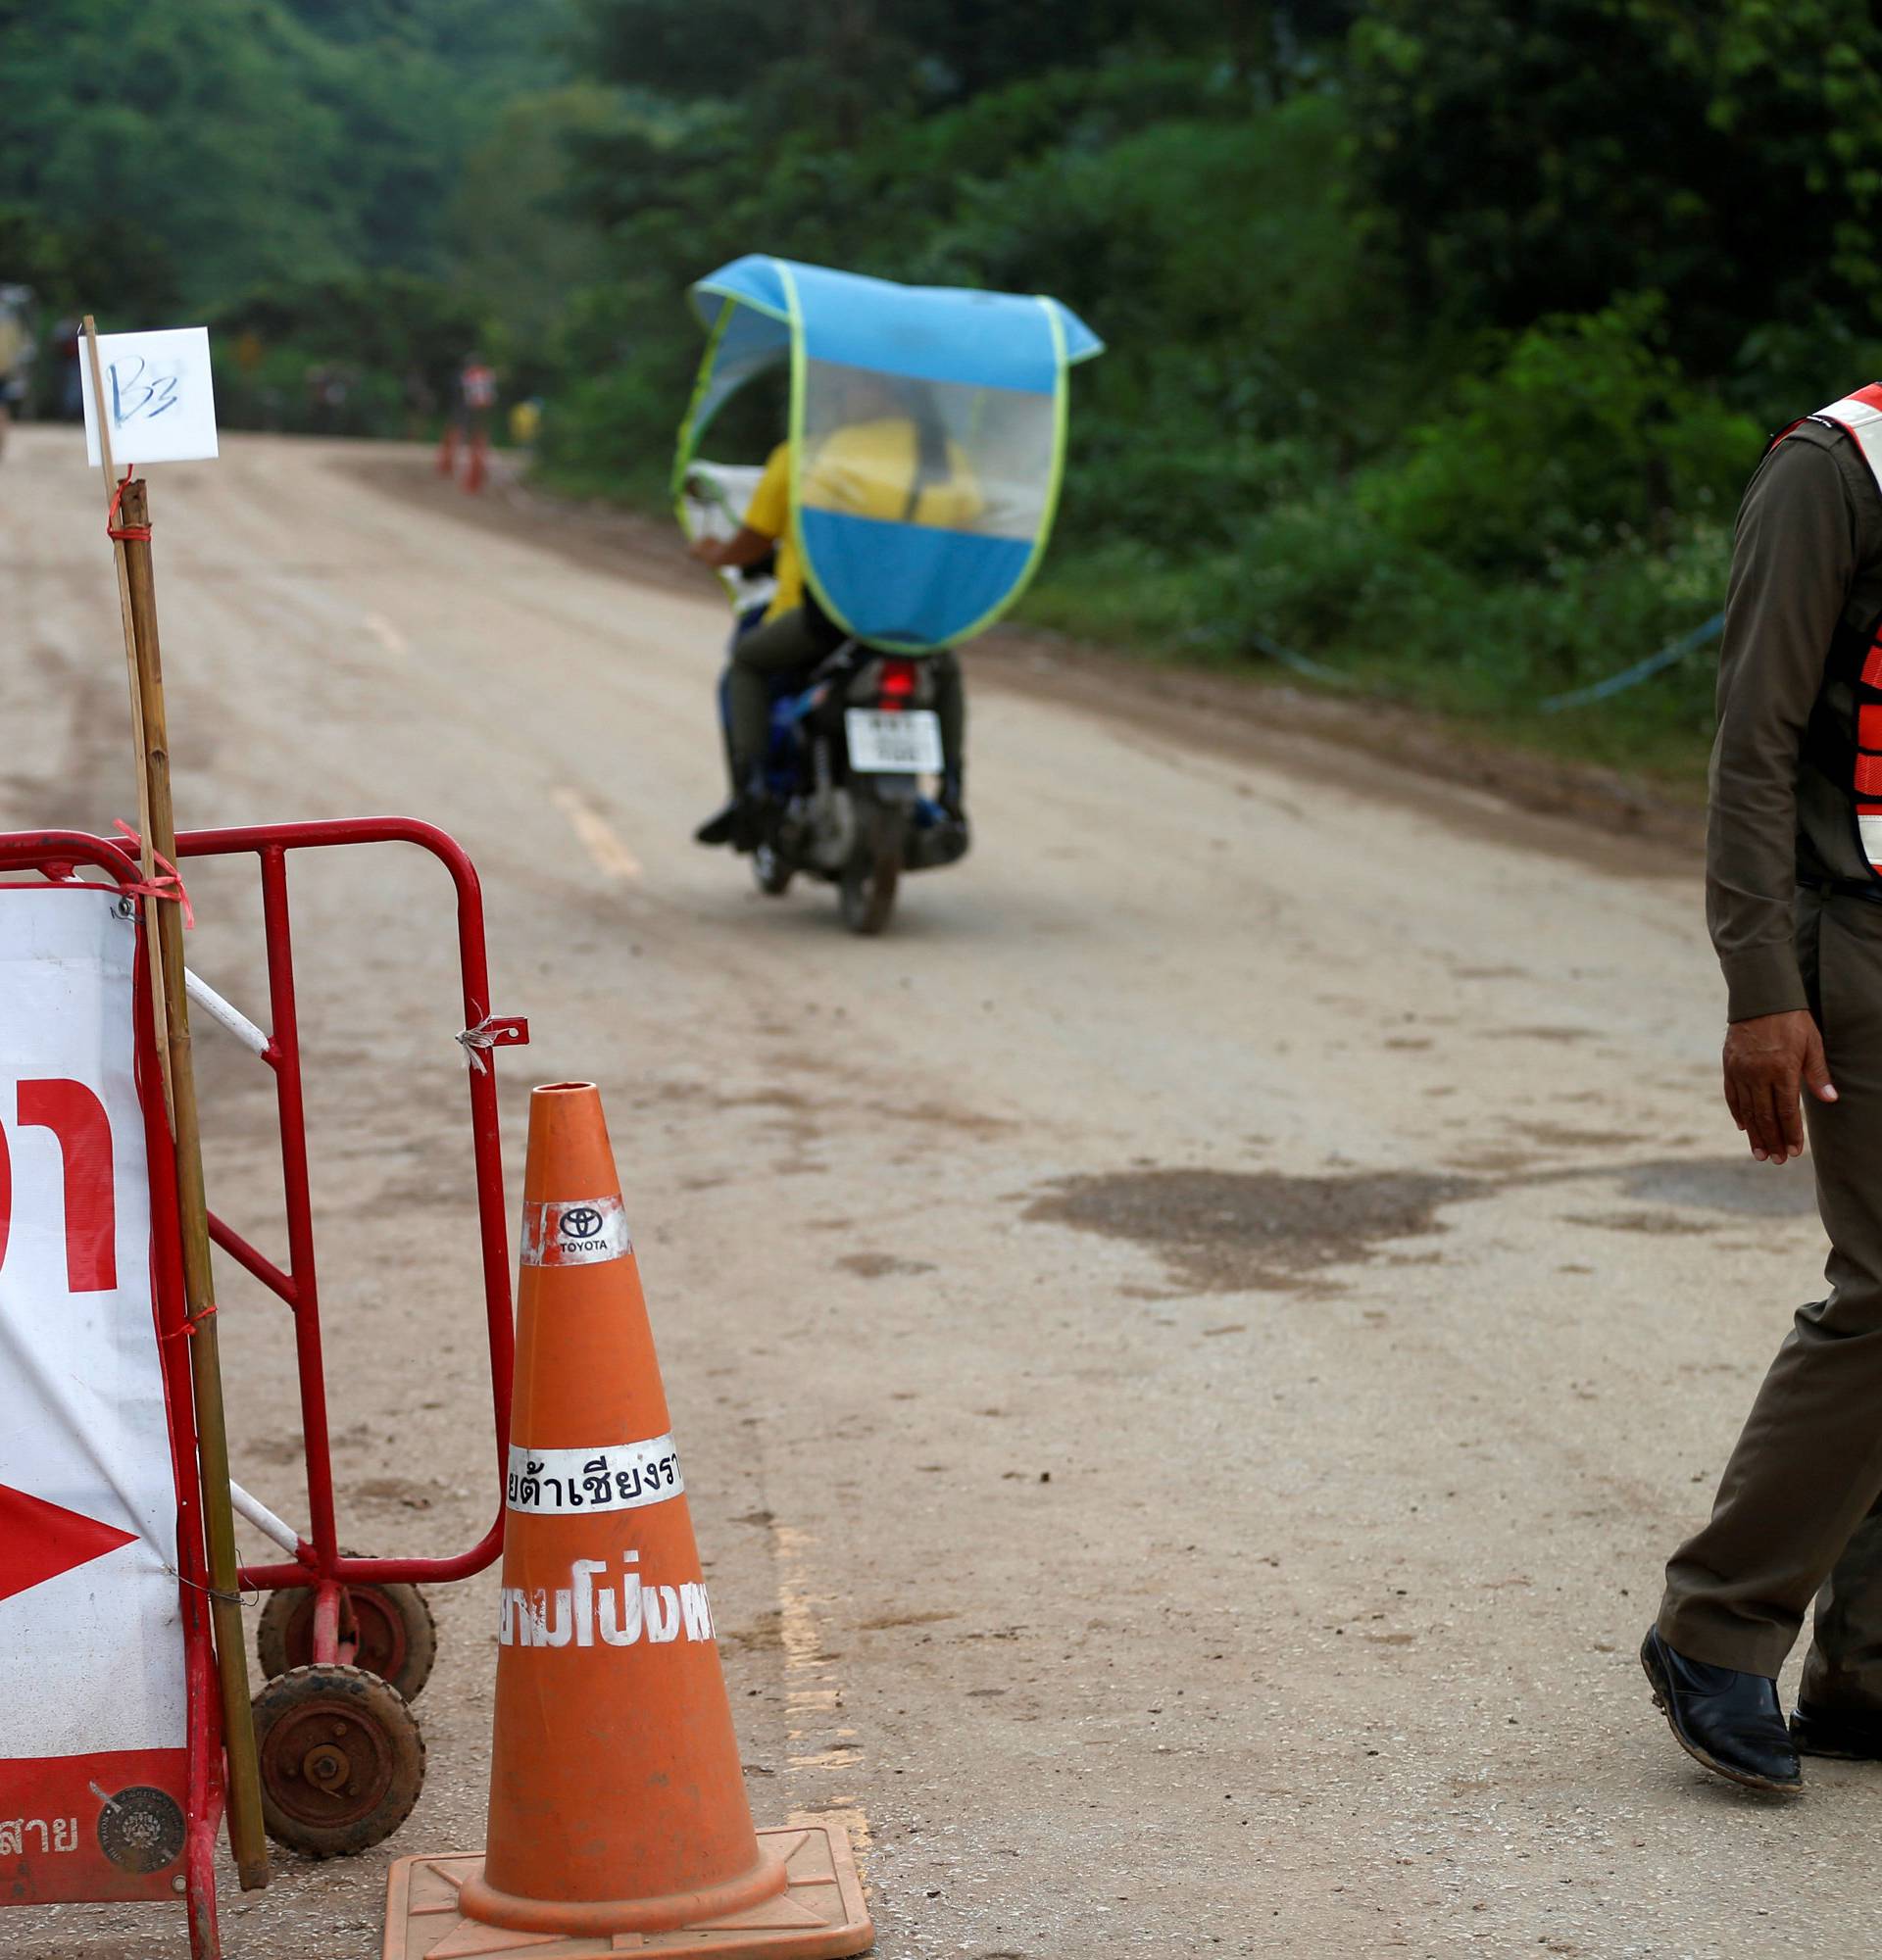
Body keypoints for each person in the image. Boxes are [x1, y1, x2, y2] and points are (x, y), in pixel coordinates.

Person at [1646, 386, 1882, 1795]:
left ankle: (1863, 1671)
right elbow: (1754, 735)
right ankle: (1715, 1628)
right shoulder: (1834, 471)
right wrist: (1760, 983)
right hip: (1853, 940)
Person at [690, 373, 973, 846]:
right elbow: (966, 536)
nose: (843, 395)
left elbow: (755, 541)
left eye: (851, 387)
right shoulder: (945, 458)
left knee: (746, 665)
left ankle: (752, 793)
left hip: (826, 620)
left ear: (883, 391)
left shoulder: (812, 454)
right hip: (914, 621)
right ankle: (952, 791)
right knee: (946, 674)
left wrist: (714, 553)